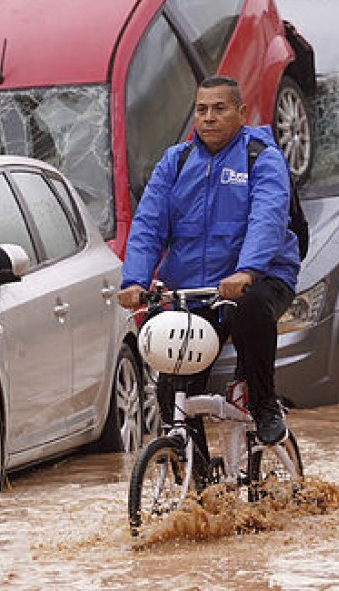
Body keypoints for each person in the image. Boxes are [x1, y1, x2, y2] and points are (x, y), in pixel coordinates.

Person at [118, 74, 301, 448]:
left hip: (260, 278)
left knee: (251, 310)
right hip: (194, 290)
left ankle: (265, 405)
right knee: (173, 393)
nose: (209, 117)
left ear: (241, 112)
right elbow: (149, 224)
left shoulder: (261, 158)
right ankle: (198, 483)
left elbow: (266, 218)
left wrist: (246, 270)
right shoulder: (175, 162)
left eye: (220, 108)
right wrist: (134, 281)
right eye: (202, 109)